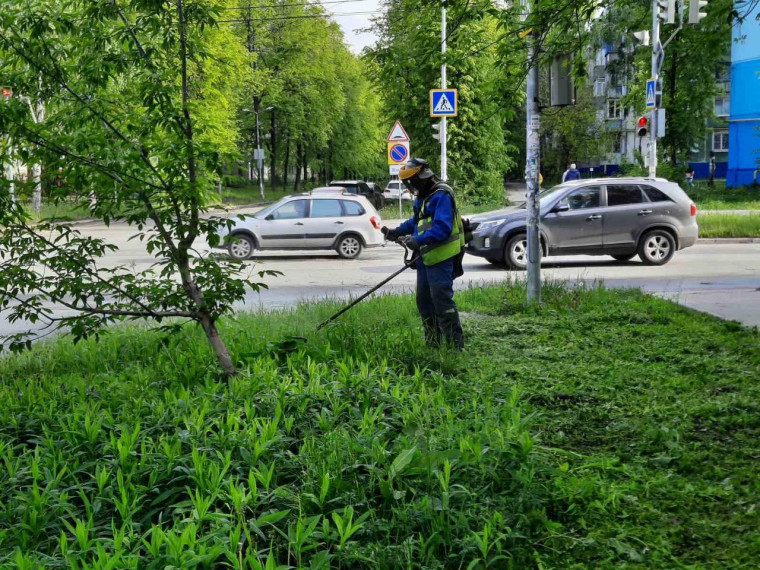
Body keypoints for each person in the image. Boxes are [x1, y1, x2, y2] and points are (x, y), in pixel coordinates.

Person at [381, 158, 465, 349]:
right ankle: (433, 343)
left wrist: (417, 240)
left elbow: (443, 228)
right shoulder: (423, 197)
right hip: (426, 258)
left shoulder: (441, 195)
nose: (410, 187)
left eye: (412, 182)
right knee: (424, 302)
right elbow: (416, 222)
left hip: (441, 257)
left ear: (422, 177)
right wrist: (397, 232)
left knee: (442, 301)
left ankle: (455, 346)